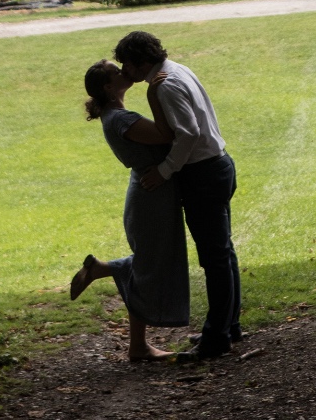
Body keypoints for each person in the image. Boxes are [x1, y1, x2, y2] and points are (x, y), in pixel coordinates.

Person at [114, 30, 241, 360]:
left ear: (141, 61)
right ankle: (228, 326)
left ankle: (217, 340)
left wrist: (165, 170)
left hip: (203, 174)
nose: (125, 72)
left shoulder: (166, 84)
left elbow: (188, 134)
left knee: (214, 258)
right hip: (216, 166)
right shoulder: (177, 70)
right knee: (223, 254)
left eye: (127, 65)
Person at [69, 58, 191, 362]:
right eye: (116, 71)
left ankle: (101, 269)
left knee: (151, 263)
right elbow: (167, 135)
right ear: (109, 88)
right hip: (150, 200)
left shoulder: (117, 115)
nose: (124, 71)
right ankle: (137, 346)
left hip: (152, 194)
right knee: (149, 269)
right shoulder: (121, 120)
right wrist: (153, 94)